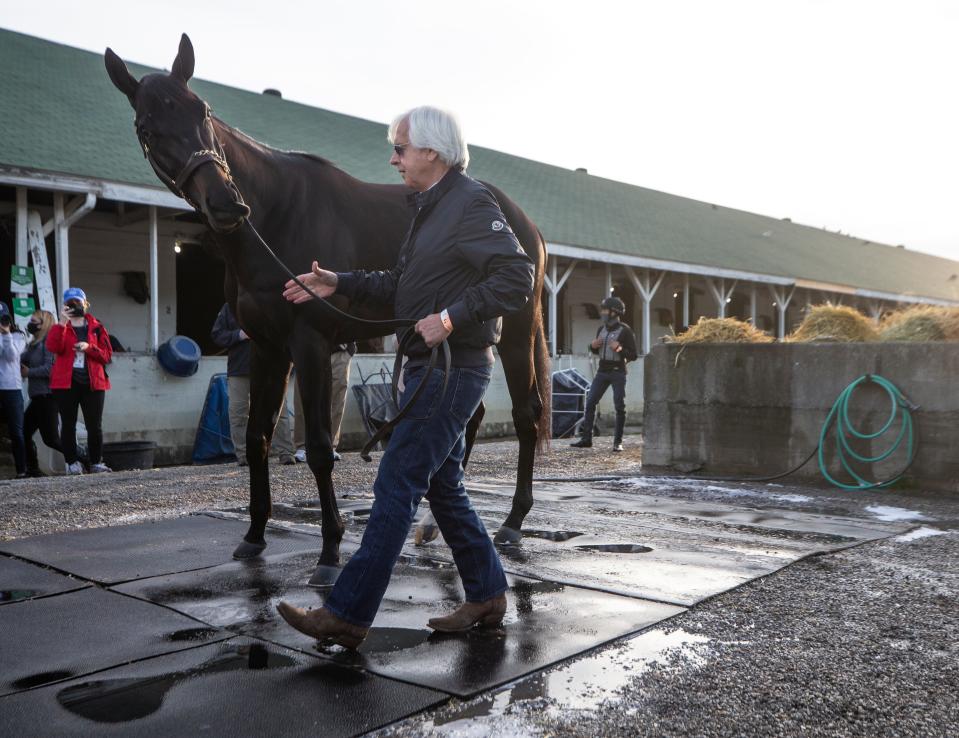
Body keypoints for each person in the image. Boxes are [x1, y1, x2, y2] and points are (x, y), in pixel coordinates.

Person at [275, 105, 535, 648]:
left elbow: (518, 276)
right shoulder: (428, 210)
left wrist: (450, 318)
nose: (393, 158)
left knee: (397, 483)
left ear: (432, 153)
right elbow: (401, 285)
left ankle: (347, 613)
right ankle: (487, 593)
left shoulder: (470, 203)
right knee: (443, 486)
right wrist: (338, 281)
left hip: (452, 369)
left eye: (400, 148)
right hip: (430, 368)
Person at [211, 303, 295, 466]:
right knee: (238, 411)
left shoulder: (272, 302)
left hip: (270, 368)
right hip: (240, 368)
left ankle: (285, 452)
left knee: (278, 411)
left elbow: (289, 333)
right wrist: (239, 335)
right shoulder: (231, 307)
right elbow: (217, 334)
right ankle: (243, 455)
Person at [47, 287, 112, 474]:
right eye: (70, 303)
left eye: (77, 302)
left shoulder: (97, 327)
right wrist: (62, 322)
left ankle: (96, 462)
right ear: (64, 305)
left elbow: (107, 355)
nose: (74, 305)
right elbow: (53, 347)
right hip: (66, 383)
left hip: (93, 382)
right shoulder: (61, 327)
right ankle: (72, 462)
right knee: (68, 424)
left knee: (95, 425)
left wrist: (89, 347)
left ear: (85, 304)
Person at [571, 295, 638, 452]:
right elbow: (596, 349)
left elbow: (633, 355)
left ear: (614, 312)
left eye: (606, 310)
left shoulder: (626, 331)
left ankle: (618, 442)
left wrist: (619, 348)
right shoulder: (601, 329)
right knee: (590, 402)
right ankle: (587, 438)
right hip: (602, 371)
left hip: (618, 372)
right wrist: (592, 346)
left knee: (619, 406)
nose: (603, 313)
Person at [293, 342, 355, 463]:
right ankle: (302, 446)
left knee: (337, 400)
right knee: (302, 399)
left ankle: (330, 445)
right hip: (308, 352)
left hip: (340, 351)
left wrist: (350, 350)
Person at [21, 309, 62, 477]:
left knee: (51, 439)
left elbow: (50, 369)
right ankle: (33, 468)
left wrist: (28, 373)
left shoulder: (48, 344)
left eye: (34, 321)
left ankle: (84, 457)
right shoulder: (34, 343)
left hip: (47, 396)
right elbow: (22, 358)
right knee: (24, 432)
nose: (30, 324)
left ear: (43, 324)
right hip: (37, 396)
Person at [0, 302, 28, 478]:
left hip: (12, 388)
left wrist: (7, 334)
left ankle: (22, 471)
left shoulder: (18, 335)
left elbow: (11, 356)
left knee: (16, 432)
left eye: (3, 319)